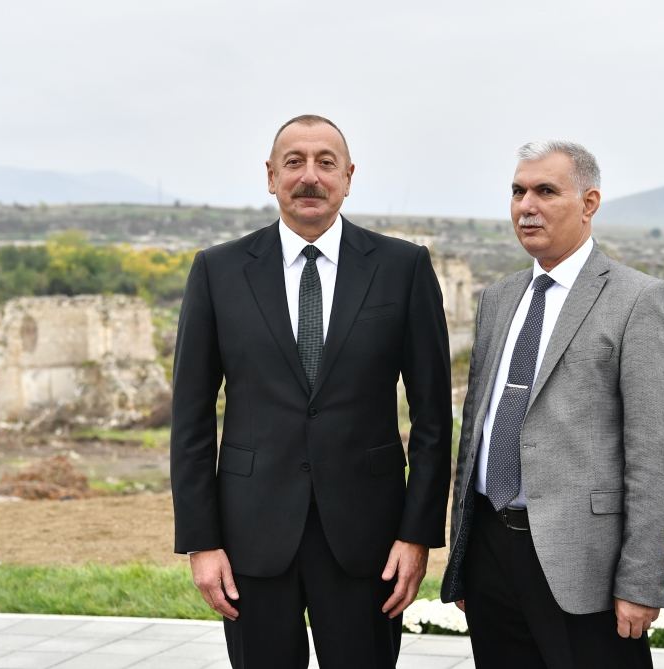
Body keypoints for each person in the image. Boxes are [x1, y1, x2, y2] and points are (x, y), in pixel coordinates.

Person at [170, 114, 452, 668]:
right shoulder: (218, 272)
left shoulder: (403, 268)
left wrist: (417, 536)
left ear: (348, 176)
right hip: (251, 535)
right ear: (270, 176)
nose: (310, 176)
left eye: (326, 163)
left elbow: (434, 420)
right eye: (294, 162)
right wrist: (202, 543)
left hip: (368, 540)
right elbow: (192, 418)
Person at [440, 140, 664, 668]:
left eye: (545, 191)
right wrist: (463, 559)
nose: (526, 206)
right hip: (490, 552)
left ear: (589, 203)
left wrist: (642, 580)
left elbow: (656, 454)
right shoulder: (499, 298)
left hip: (583, 565)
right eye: (517, 191)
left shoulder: (639, 300)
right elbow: (478, 428)